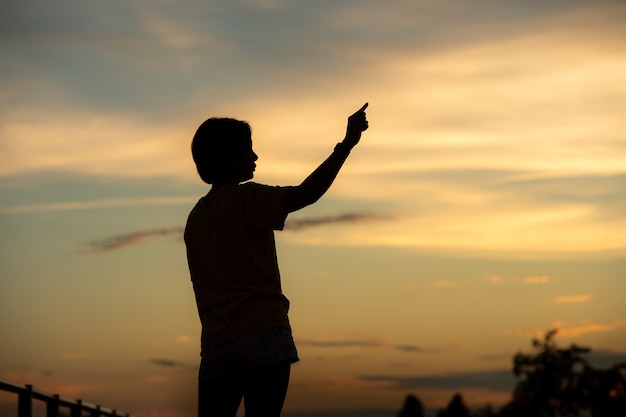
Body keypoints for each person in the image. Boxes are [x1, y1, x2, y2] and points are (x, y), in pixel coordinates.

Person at [184, 103, 369, 417]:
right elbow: (305, 194)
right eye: (248, 150)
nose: (255, 157)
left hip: (217, 344)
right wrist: (346, 145)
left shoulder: (196, 217)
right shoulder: (248, 198)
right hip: (264, 334)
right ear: (229, 156)